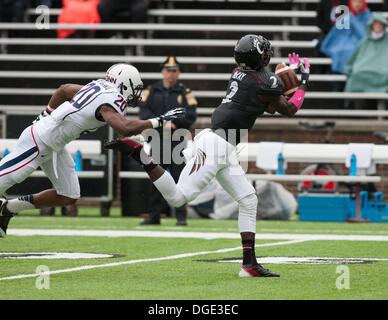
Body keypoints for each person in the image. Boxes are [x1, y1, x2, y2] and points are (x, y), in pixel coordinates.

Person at [105, 34, 311, 277]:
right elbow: (288, 110)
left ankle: (248, 264)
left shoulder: (241, 74)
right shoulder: (264, 81)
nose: (268, 55)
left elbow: (268, 103)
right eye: (264, 52)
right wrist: (303, 83)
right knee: (178, 198)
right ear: (259, 56)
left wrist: (284, 81)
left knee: (248, 199)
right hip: (215, 146)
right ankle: (140, 154)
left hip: (220, 144)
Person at [0, 63, 185, 237]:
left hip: (54, 144)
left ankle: (8, 208)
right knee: (7, 178)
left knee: (68, 195)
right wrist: (158, 121)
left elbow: (64, 89)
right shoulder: (112, 98)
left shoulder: (99, 86)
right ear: (124, 84)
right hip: (38, 140)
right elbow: (125, 127)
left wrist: (46, 113)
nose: (136, 93)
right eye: (135, 87)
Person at [138, 56, 197, 226]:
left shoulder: (184, 92)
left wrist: (176, 123)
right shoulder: (152, 90)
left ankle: (181, 216)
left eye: (174, 70)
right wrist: (161, 122)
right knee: (156, 179)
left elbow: (191, 114)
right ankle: (154, 215)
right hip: (157, 139)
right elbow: (143, 113)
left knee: (180, 179)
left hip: (176, 141)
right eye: (168, 70)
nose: (171, 74)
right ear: (163, 71)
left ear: (178, 73)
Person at [320, 0, 371, 76]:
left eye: (360, 1)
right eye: (355, 1)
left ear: (363, 3)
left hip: (361, 44)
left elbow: (366, 35)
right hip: (344, 43)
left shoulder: (368, 16)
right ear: (351, 2)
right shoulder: (344, 14)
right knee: (339, 51)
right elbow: (338, 34)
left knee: (350, 51)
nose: (357, 4)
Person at [345, 13, 388, 94]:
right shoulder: (365, 41)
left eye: (380, 24)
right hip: (364, 69)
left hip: (384, 70)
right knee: (357, 73)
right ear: (372, 25)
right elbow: (354, 57)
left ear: (384, 25)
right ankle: (357, 105)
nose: (378, 26)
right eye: (376, 24)